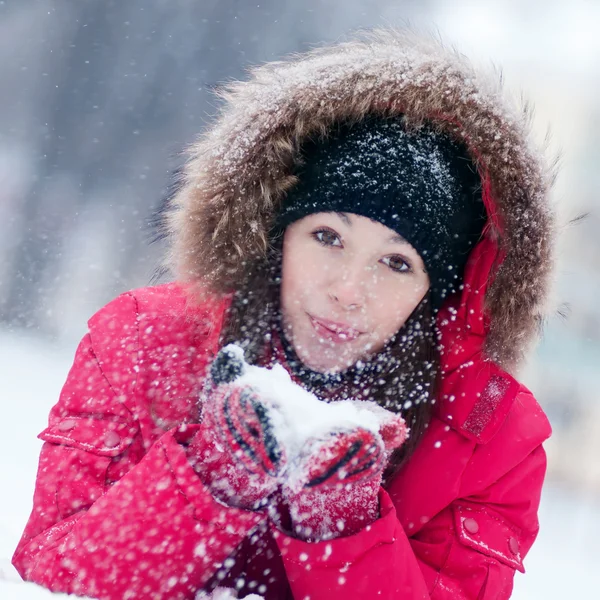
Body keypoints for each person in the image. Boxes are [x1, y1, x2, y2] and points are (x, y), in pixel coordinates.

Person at [12, 28, 555, 600]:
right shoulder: (145, 342)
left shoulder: (491, 436)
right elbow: (49, 577)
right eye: (328, 236)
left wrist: (342, 527)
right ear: (277, 234)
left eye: (397, 264)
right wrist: (208, 479)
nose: (349, 291)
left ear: (436, 293)